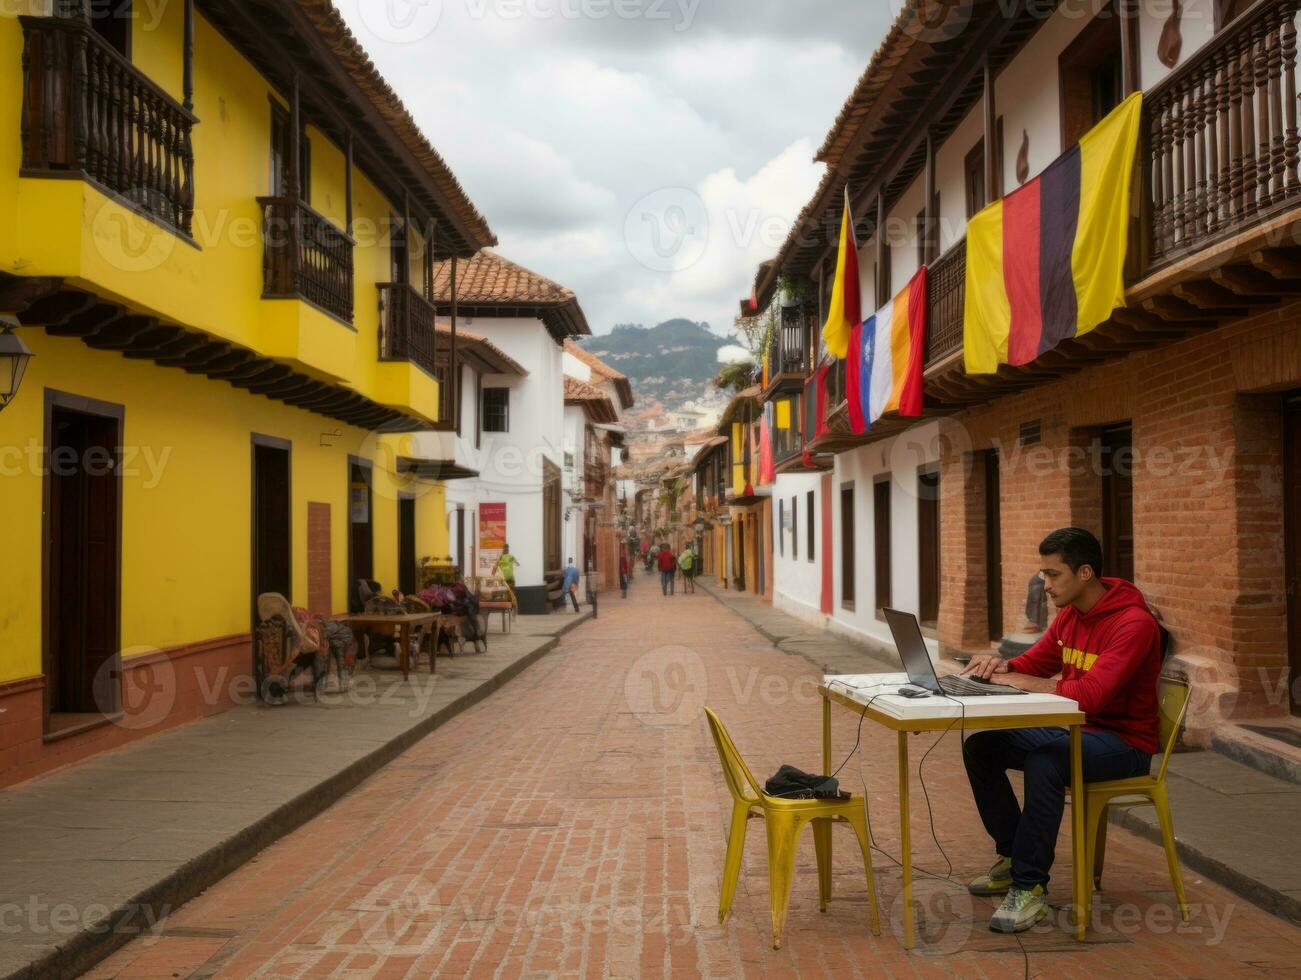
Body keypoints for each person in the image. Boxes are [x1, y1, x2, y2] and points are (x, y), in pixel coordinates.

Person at [959, 527, 1160, 934]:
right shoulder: (1071, 615)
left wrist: (1025, 682)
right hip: (1077, 731)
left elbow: (1092, 696)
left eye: (1053, 575)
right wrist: (1001, 666)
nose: (1045, 585)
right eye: (1044, 575)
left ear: (1084, 573)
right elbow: (1034, 663)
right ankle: (1015, 855)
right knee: (982, 746)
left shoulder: (1133, 624)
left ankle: (1030, 885)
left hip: (1124, 743)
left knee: (1045, 761)